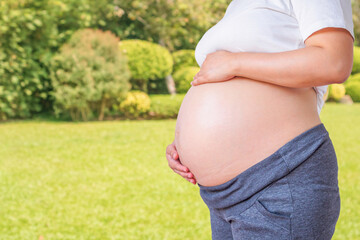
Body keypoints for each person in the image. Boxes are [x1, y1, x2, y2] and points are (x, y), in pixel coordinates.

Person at [166, 0, 355, 239]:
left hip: (279, 178)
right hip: (221, 196)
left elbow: (334, 61)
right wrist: (187, 143)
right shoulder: (238, 5)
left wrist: (234, 62)